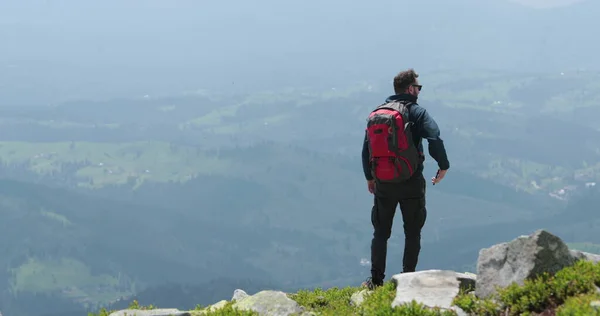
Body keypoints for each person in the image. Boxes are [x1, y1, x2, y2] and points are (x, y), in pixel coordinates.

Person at [361, 68, 450, 290]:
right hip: (411, 181)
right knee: (412, 231)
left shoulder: (378, 113)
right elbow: (434, 137)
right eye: (418, 87)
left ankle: (376, 281)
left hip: (383, 183)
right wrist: (443, 165)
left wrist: (370, 177)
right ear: (410, 89)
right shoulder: (417, 112)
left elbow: (366, 149)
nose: (419, 91)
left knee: (381, 232)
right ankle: (407, 281)